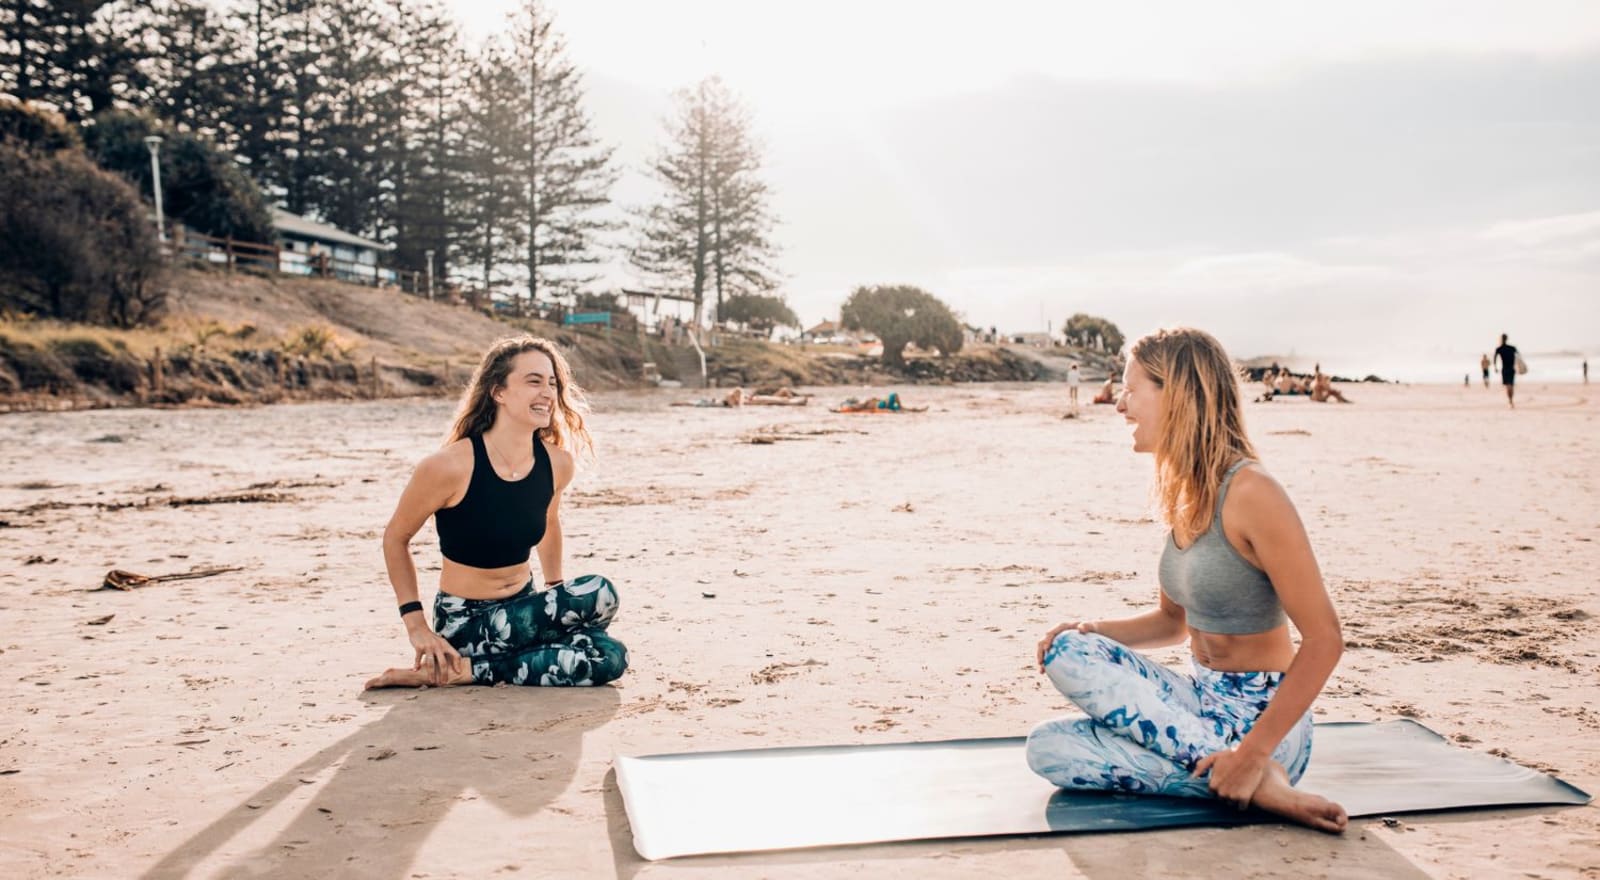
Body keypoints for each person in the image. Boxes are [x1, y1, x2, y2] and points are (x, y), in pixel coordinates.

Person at [1027, 327, 1347, 833]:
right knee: (1048, 748)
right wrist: (1087, 628)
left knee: (1070, 659)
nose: (1120, 404)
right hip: (1199, 709)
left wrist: (1255, 749)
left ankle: (1253, 769)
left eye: (1132, 390)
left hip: (1266, 722)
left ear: (1175, 393)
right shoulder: (1183, 494)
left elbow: (1326, 639)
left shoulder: (1252, 493)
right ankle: (1258, 786)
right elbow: (1171, 624)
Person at [365, 336, 628, 690]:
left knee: (611, 655)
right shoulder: (448, 467)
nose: (548, 392)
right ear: (498, 392)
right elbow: (396, 538)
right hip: (466, 623)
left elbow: (549, 522)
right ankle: (472, 660)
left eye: (553, 383)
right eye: (534, 381)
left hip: (525, 611)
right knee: (600, 591)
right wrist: (416, 626)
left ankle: (470, 671)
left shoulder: (556, 463)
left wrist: (554, 593)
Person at [1492, 333, 1518, 408]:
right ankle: (1511, 400)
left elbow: (1494, 359)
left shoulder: (1499, 349)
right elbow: (1518, 357)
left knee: (1508, 386)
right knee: (1511, 385)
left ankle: (1510, 400)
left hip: (1505, 369)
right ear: (1507, 339)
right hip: (1512, 369)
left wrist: (1495, 367)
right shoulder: (1512, 348)